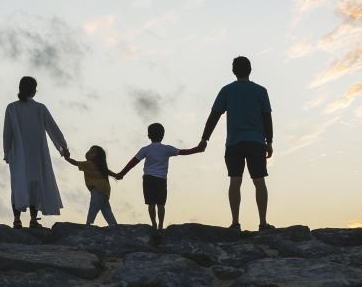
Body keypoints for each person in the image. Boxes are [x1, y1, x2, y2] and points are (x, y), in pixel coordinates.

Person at [197, 56, 273, 231]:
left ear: (233, 71)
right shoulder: (261, 91)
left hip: (234, 142)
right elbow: (267, 118)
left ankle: (235, 223)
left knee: (235, 180)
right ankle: (263, 223)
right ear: (250, 70)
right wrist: (269, 141)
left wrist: (205, 138)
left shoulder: (227, 90)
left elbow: (214, 115)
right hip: (256, 141)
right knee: (259, 180)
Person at [115, 123, 203, 237]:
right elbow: (184, 152)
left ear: (148, 136)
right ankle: (161, 226)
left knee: (151, 203)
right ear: (163, 135)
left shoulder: (145, 149)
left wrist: (122, 174)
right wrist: (199, 149)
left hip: (148, 178)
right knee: (161, 203)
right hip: (161, 179)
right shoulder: (167, 149)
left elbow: (133, 162)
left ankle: (154, 225)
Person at [2, 75, 68, 229]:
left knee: (18, 183)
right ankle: (33, 219)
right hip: (36, 152)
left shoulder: (12, 108)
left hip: (17, 152)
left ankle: (17, 219)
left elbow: (7, 133)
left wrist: (6, 152)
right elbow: (53, 129)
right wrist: (63, 147)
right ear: (33, 91)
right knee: (35, 184)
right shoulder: (40, 108)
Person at [65, 145, 120, 227]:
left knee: (94, 204)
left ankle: (89, 222)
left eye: (92, 152)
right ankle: (113, 224)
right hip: (105, 188)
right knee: (105, 208)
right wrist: (116, 175)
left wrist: (67, 158)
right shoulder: (100, 166)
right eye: (89, 151)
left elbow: (75, 163)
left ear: (97, 156)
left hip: (98, 187)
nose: (89, 152)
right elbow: (108, 172)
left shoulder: (89, 164)